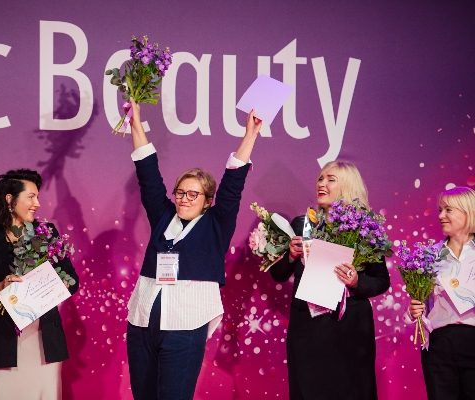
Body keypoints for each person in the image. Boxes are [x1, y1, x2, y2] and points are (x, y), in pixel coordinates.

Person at [125, 98, 261, 400]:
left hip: (185, 326)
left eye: (193, 194)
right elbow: (148, 175)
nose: (184, 199)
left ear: (207, 200)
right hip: (142, 323)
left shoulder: (216, 224)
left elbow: (232, 185)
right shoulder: (163, 216)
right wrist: (136, 123)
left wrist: (249, 136)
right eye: (181, 192)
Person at [269, 161, 390, 400]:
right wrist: (291, 256)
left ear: (347, 187)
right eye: (320, 178)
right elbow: (278, 274)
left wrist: (356, 282)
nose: (321, 184)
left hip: (349, 327)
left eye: (330, 180)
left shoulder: (365, 229)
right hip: (308, 327)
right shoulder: (302, 225)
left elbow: (381, 280)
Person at [0, 169, 79, 400]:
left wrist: (53, 285)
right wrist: (1, 287)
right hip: (0, 341)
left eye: (37, 197)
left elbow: (72, 281)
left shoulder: (46, 232)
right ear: (10, 199)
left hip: (43, 339)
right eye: (31, 197)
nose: (37, 204)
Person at [409, 186, 475, 400]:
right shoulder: (430, 255)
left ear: (467, 211)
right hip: (439, 343)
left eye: (448, 210)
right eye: (440, 210)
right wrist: (414, 310)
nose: (440, 216)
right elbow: (421, 301)